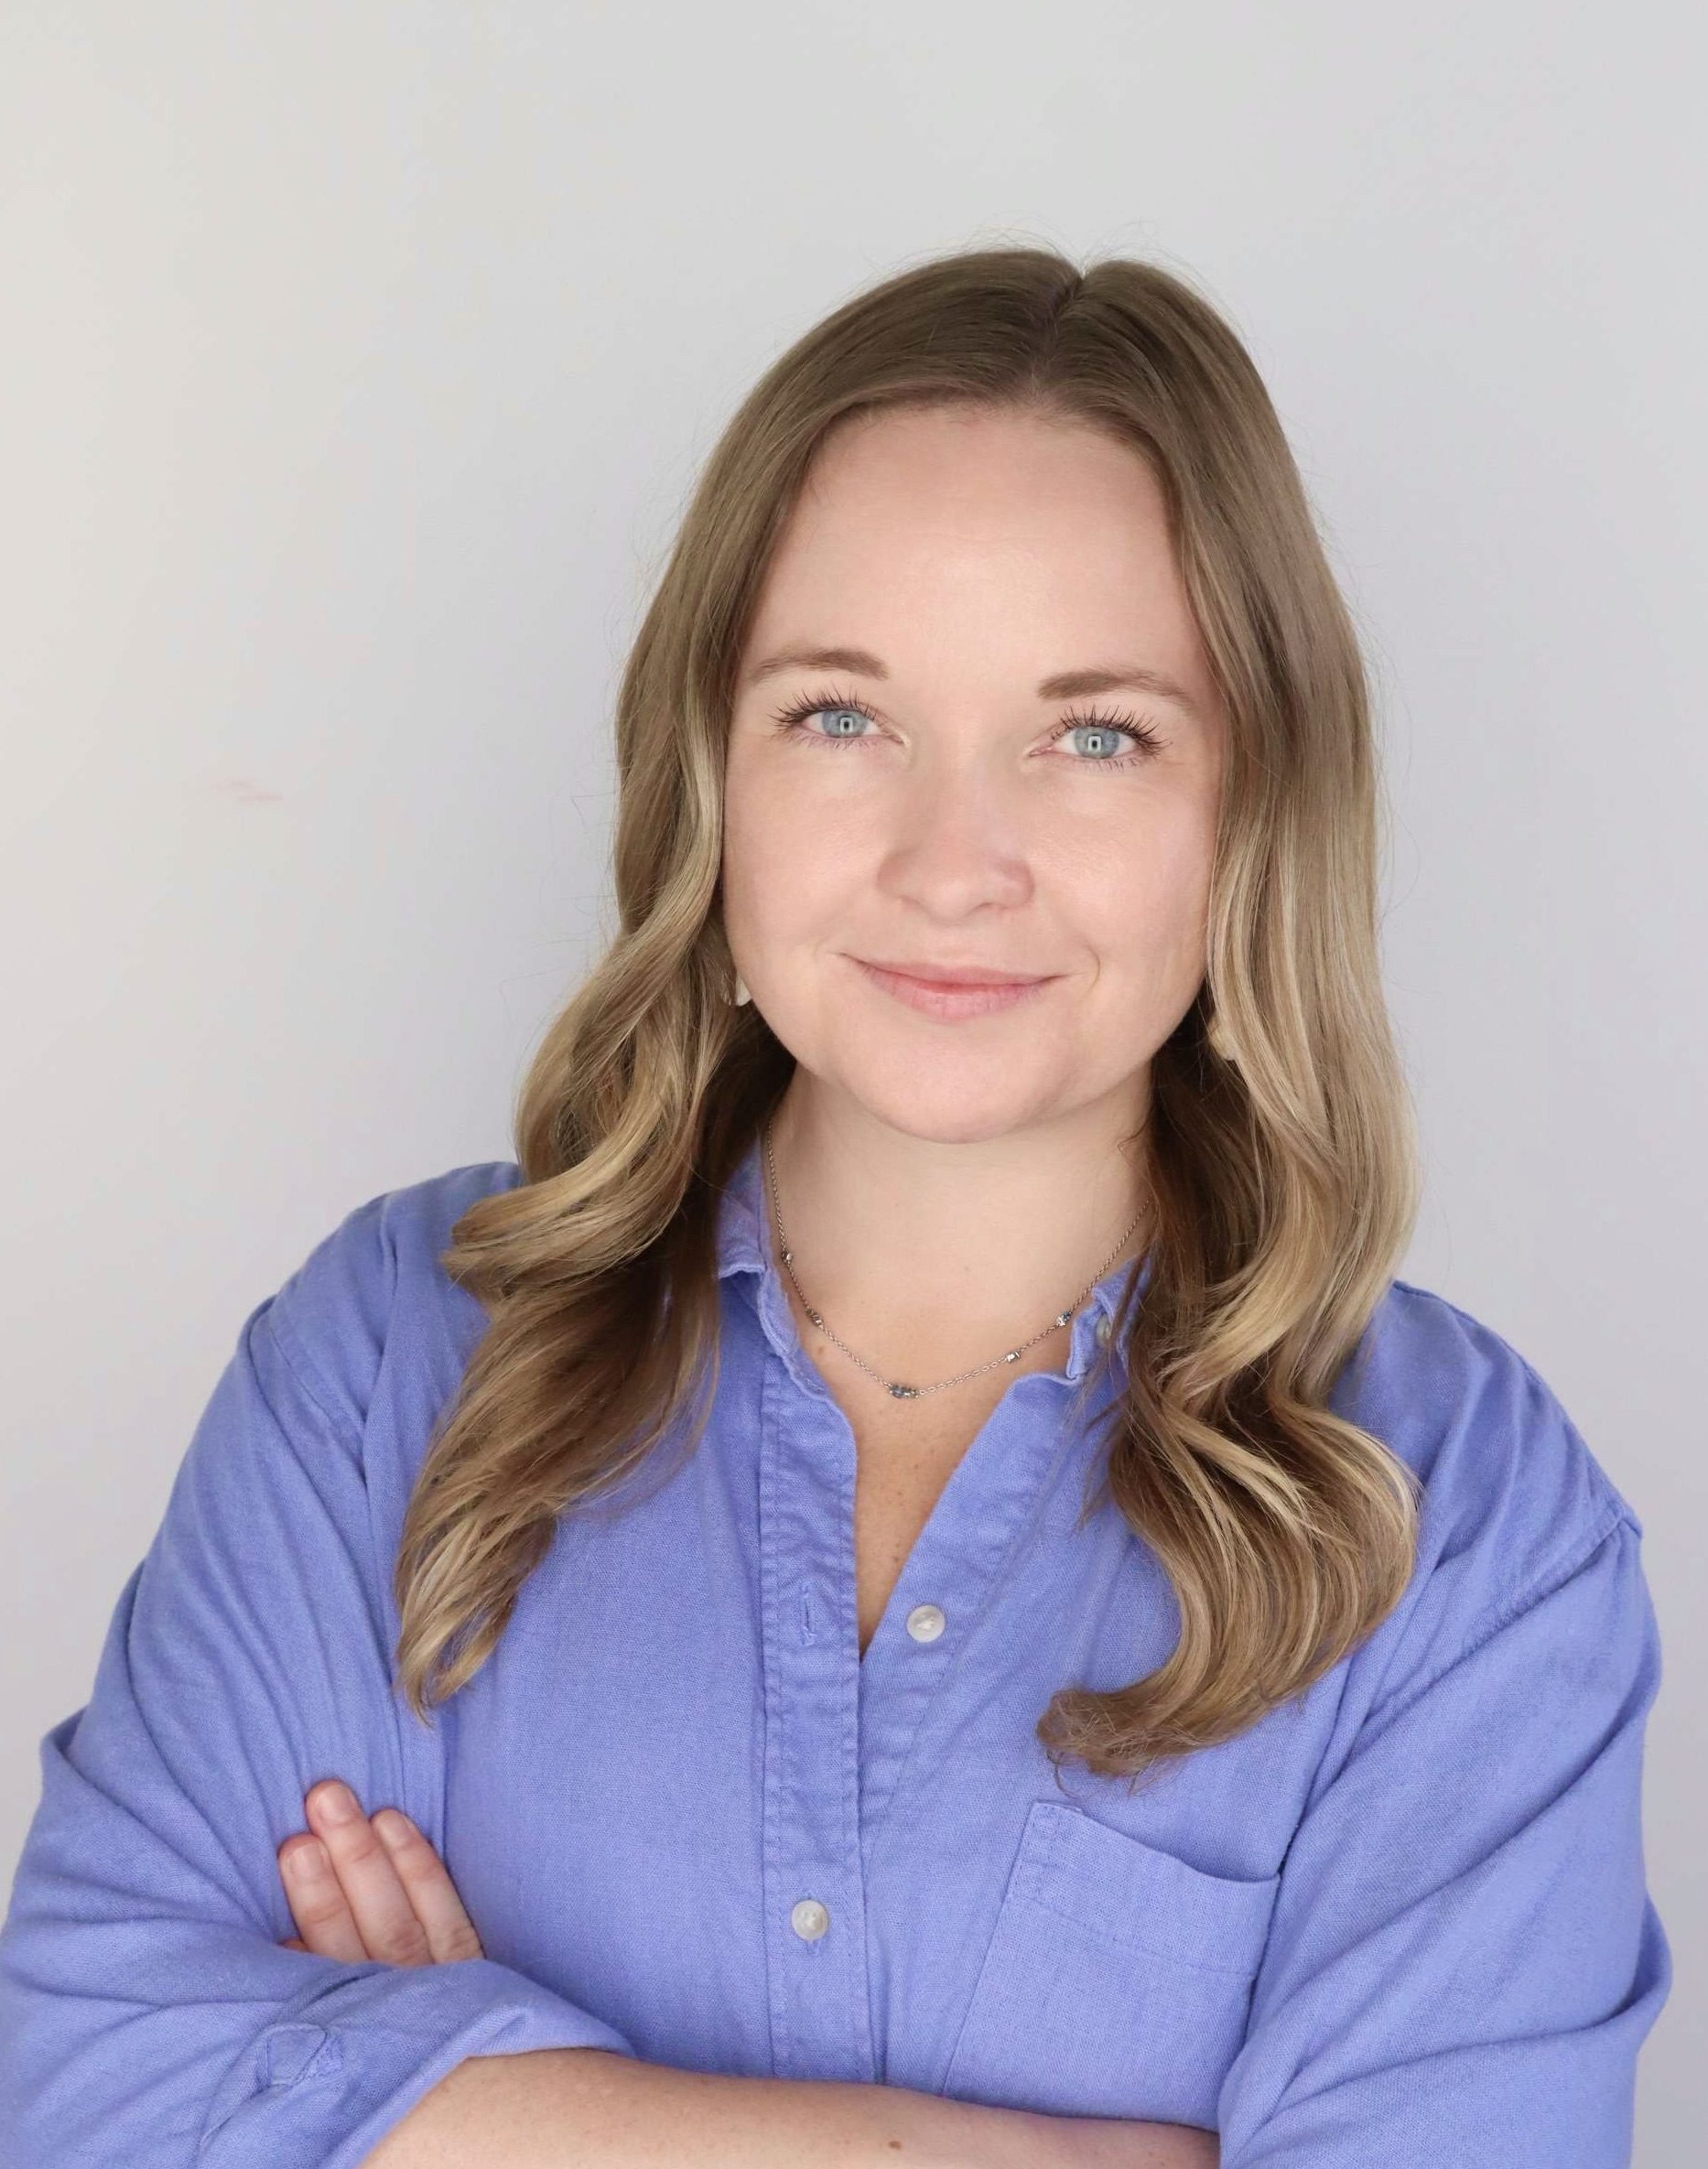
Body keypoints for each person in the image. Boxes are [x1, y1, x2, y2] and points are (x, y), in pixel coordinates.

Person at [0, 249, 1670, 2168]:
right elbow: (92, 2094)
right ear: (709, 768)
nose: (956, 863)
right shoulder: (387, 1362)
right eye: (841, 716)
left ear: (1256, 803)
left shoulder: (1459, 1526)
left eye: (1098, 730)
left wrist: (447, 2105)